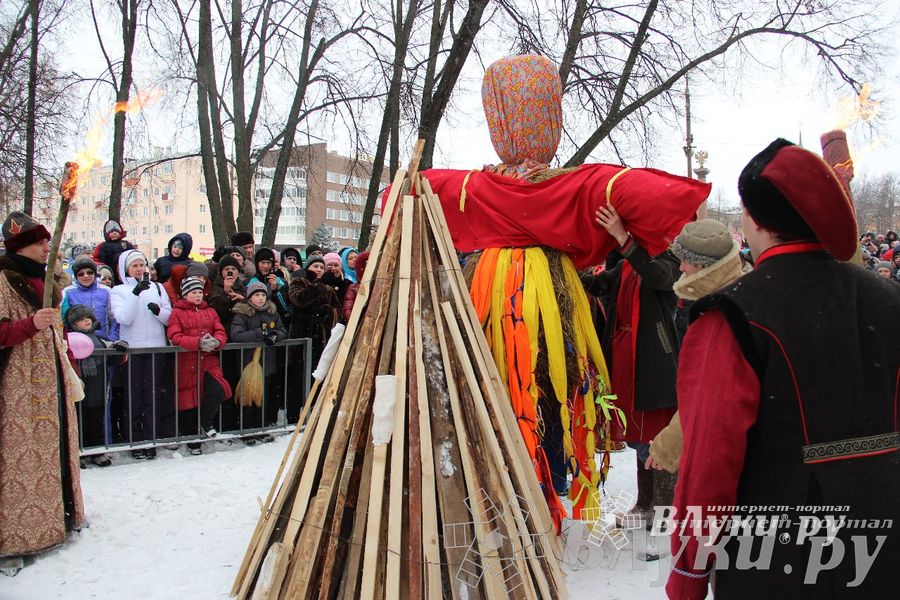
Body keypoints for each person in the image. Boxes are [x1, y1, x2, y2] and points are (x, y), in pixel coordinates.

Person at [667, 139, 900, 599]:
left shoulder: (732, 314)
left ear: (753, 219)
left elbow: (709, 461)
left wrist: (689, 574)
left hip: (780, 555)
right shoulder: (888, 299)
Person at [580, 204, 681, 537]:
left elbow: (656, 276)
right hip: (626, 363)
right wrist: (565, 266)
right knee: (640, 436)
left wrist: (625, 240)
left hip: (653, 366)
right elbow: (599, 285)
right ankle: (644, 503)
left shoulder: (669, 262)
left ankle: (664, 512)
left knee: (657, 438)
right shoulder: (625, 265)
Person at [0, 211, 84, 574]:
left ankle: (60, 515)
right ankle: (18, 533)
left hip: (50, 378)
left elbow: (58, 332)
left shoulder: (46, 280)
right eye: (39, 242)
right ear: (21, 246)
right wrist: (28, 325)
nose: (46, 247)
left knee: (54, 448)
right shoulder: (4, 280)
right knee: (21, 453)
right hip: (16, 382)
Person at [644, 219, 747, 474]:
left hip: (724, 450)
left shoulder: (720, 311)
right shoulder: (739, 290)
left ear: (702, 264)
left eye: (685, 260)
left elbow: (705, 392)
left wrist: (666, 448)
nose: (680, 266)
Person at [110, 249, 172, 458]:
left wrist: (159, 312)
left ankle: (151, 438)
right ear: (126, 269)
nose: (138, 269)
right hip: (133, 349)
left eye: (141, 265)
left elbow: (169, 317)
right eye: (134, 265)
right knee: (133, 396)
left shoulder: (158, 287)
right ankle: (134, 440)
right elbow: (123, 318)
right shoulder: (118, 291)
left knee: (152, 395)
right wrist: (135, 293)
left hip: (155, 347)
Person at [167, 277, 231, 455]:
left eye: (200, 292)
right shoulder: (177, 313)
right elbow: (175, 337)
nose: (197, 295)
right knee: (189, 400)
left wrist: (217, 341)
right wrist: (197, 342)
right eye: (193, 292)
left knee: (218, 389)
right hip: (187, 360)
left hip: (208, 359)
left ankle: (205, 422)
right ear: (185, 294)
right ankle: (192, 441)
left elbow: (220, 330)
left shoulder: (210, 311)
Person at [65, 304, 124, 467]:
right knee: (79, 420)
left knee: (97, 419)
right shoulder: (69, 340)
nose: (85, 321)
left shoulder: (100, 340)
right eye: (80, 320)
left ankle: (97, 451)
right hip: (79, 387)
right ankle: (79, 453)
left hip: (98, 386)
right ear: (73, 324)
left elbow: (113, 359)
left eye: (87, 318)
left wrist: (120, 349)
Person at [230, 281, 288, 429]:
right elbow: (236, 335)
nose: (261, 298)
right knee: (247, 397)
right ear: (249, 298)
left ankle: (261, 425)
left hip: (267, 363)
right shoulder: (242, 314)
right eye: (257, 295)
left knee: (264, 397)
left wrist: (275, 335)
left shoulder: (272, 313)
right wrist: (258, 334)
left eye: (263, 294)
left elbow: (283, 330)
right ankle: (247, 427)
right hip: (248, 362)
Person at [94, 219, 135, 284]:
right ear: (106, 233)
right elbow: (99, 260)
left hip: (126, 273)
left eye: (116, 231)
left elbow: (134, 255)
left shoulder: (126, 244)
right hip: (111, 274)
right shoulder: (103, 246)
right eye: (111, 231)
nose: (114, 233)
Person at [342, 251, 370, 322]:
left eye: (356, 257)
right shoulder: (346, 281)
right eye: (350, 258)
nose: (354, 259)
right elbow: (348, 305)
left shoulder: (367, 277)